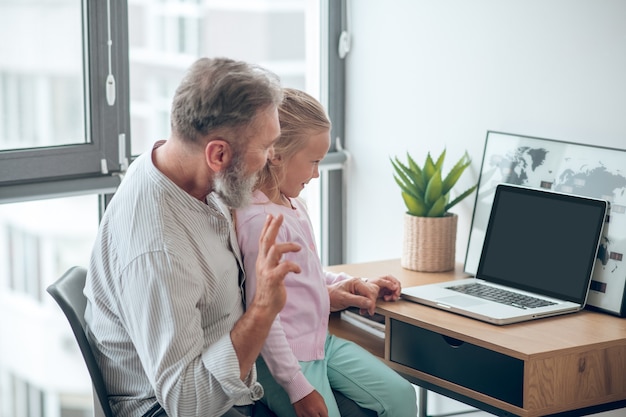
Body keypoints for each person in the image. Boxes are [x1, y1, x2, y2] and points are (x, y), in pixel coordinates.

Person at [83, 57, 384, 417]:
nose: (273, 158)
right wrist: (261, 312)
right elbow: (187, 403)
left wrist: (322, 294)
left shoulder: (191, 171)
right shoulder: (159, 248)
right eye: (266, 148)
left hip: (231, 374)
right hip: (169, 407)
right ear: (219, 154)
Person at [235, 88, 418, 417]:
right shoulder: (258, 222)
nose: (317, 173)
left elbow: (308, 275)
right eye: (313, 162)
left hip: (320, 343)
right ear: (276, 154)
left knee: (401, 395)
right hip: (282, 358)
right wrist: (296, 386)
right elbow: (263, 315)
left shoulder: (294, 205)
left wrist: (351, 282)